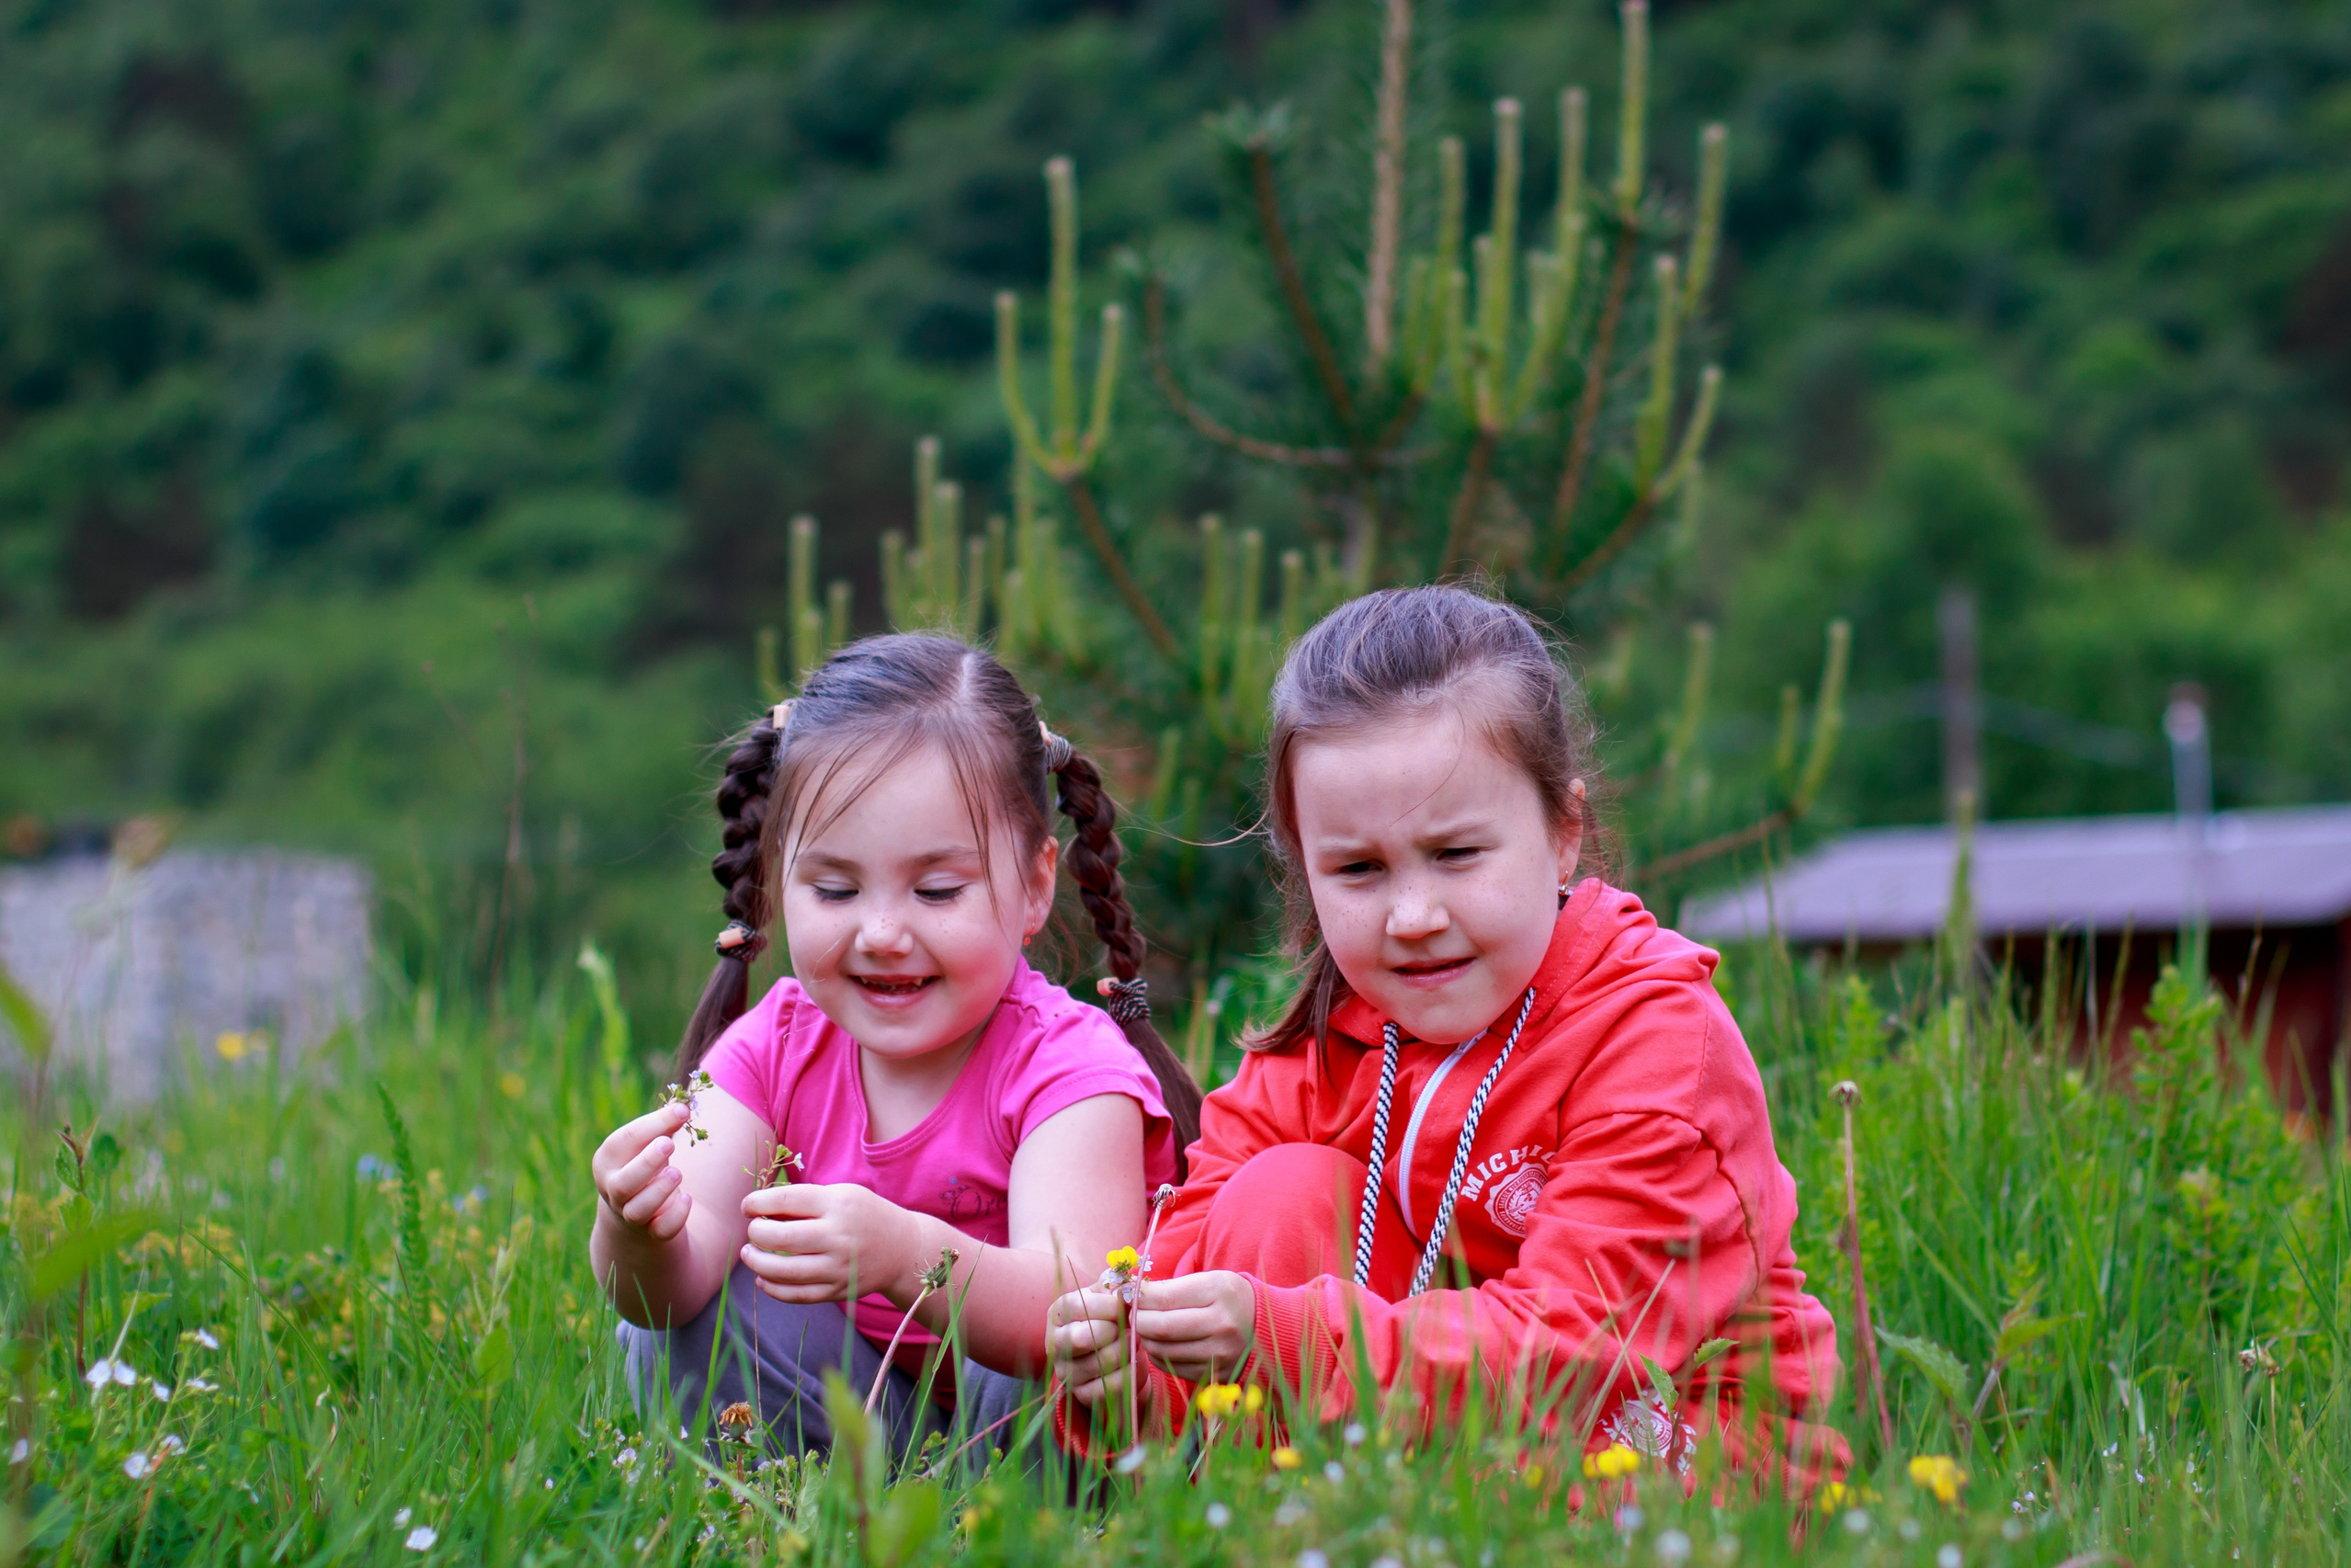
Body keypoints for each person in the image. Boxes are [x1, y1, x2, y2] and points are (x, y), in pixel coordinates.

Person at [1044, 585, 1846, 1486]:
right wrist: (1125, 1379)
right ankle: (1299, 1530)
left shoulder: (1651, 1034)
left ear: (1562, 830)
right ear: (1304, 869)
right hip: (1441, 1442)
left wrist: (1279, 1332)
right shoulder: (1318, 1042)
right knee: (1281, 1191)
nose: (1413, 916)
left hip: (1669, 1445)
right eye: (1358, 869)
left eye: (1456, 853)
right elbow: (1190, 1299)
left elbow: (1577, 1348)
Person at [592, 633, 1201, 1459]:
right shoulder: (773, 1044)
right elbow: (667, 1294)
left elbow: (1076, 1303)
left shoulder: (1070, 1070)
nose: (881, 934)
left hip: (1040, 1435)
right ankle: (830, 1503)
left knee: (1073, 1350)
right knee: (685, 1327)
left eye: (936, 890)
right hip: (870, 1417)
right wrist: (638, 1233)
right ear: (778, 877)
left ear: (1034, 885)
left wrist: (905, 1253)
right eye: (835, 889)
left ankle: (997, 1523)